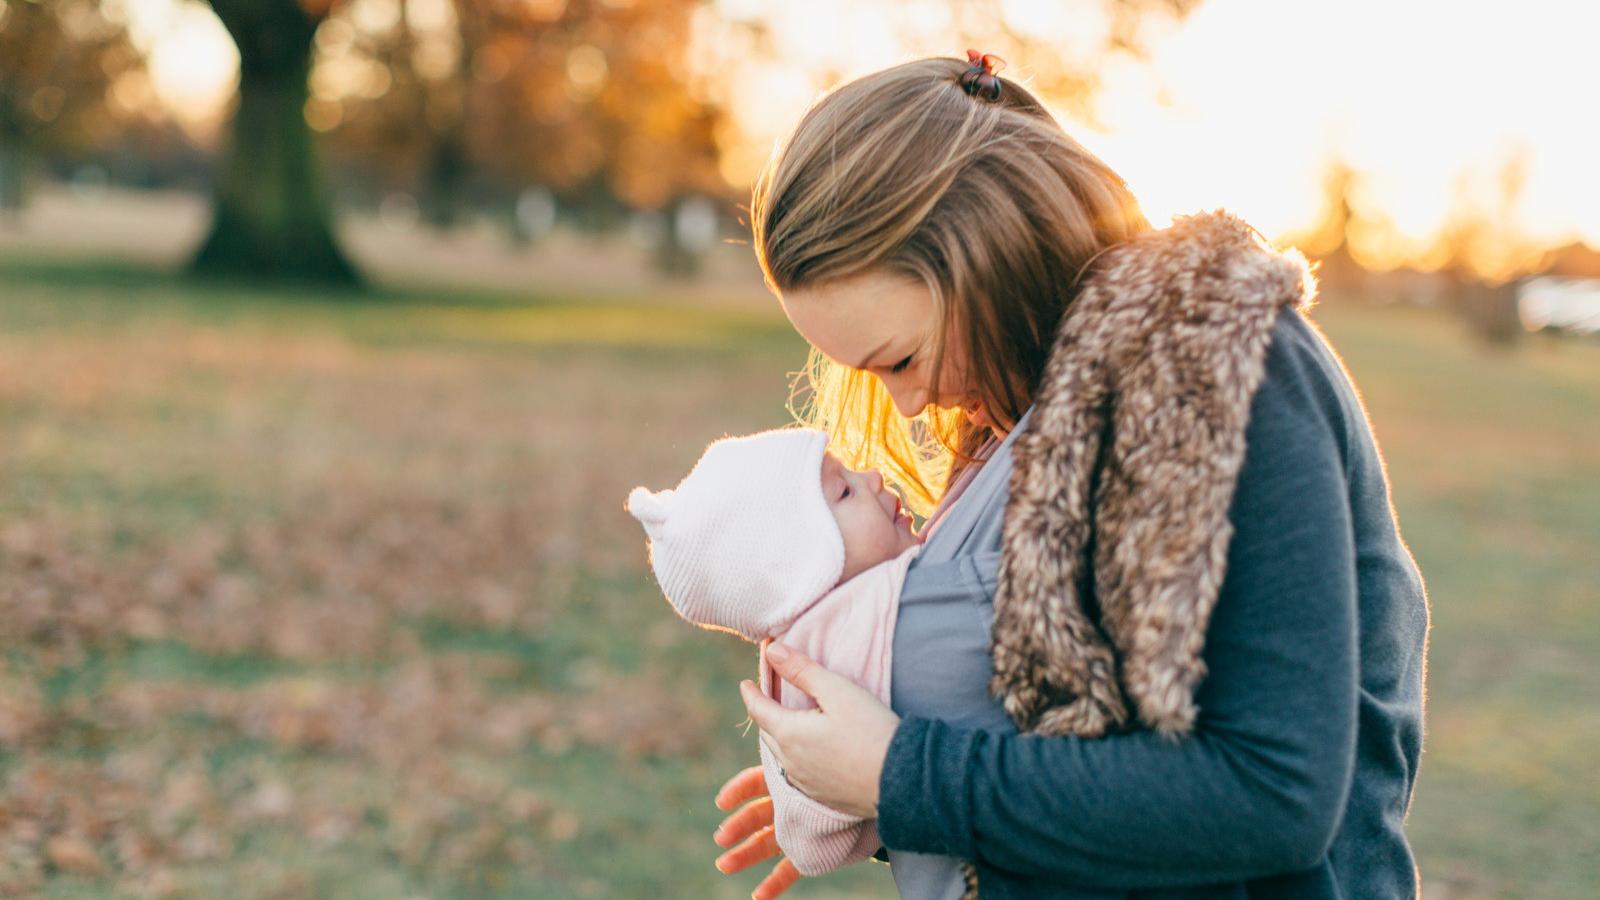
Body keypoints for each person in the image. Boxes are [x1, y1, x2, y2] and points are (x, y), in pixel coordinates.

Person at [709, 50, 1430, 899]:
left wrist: (906, 776)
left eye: (900, 359)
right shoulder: (1030, 412)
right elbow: (1074, 744)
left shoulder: (1218, 364)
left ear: (979, 250)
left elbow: (1272, 796)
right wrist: (865, 795)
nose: (906, 408)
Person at [625, 427, 925, 877]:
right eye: (845, 490)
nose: (875, 477)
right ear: (804, 573)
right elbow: (815, 840)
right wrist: (817, 792)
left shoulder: (875, 603)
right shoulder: (829, 651)